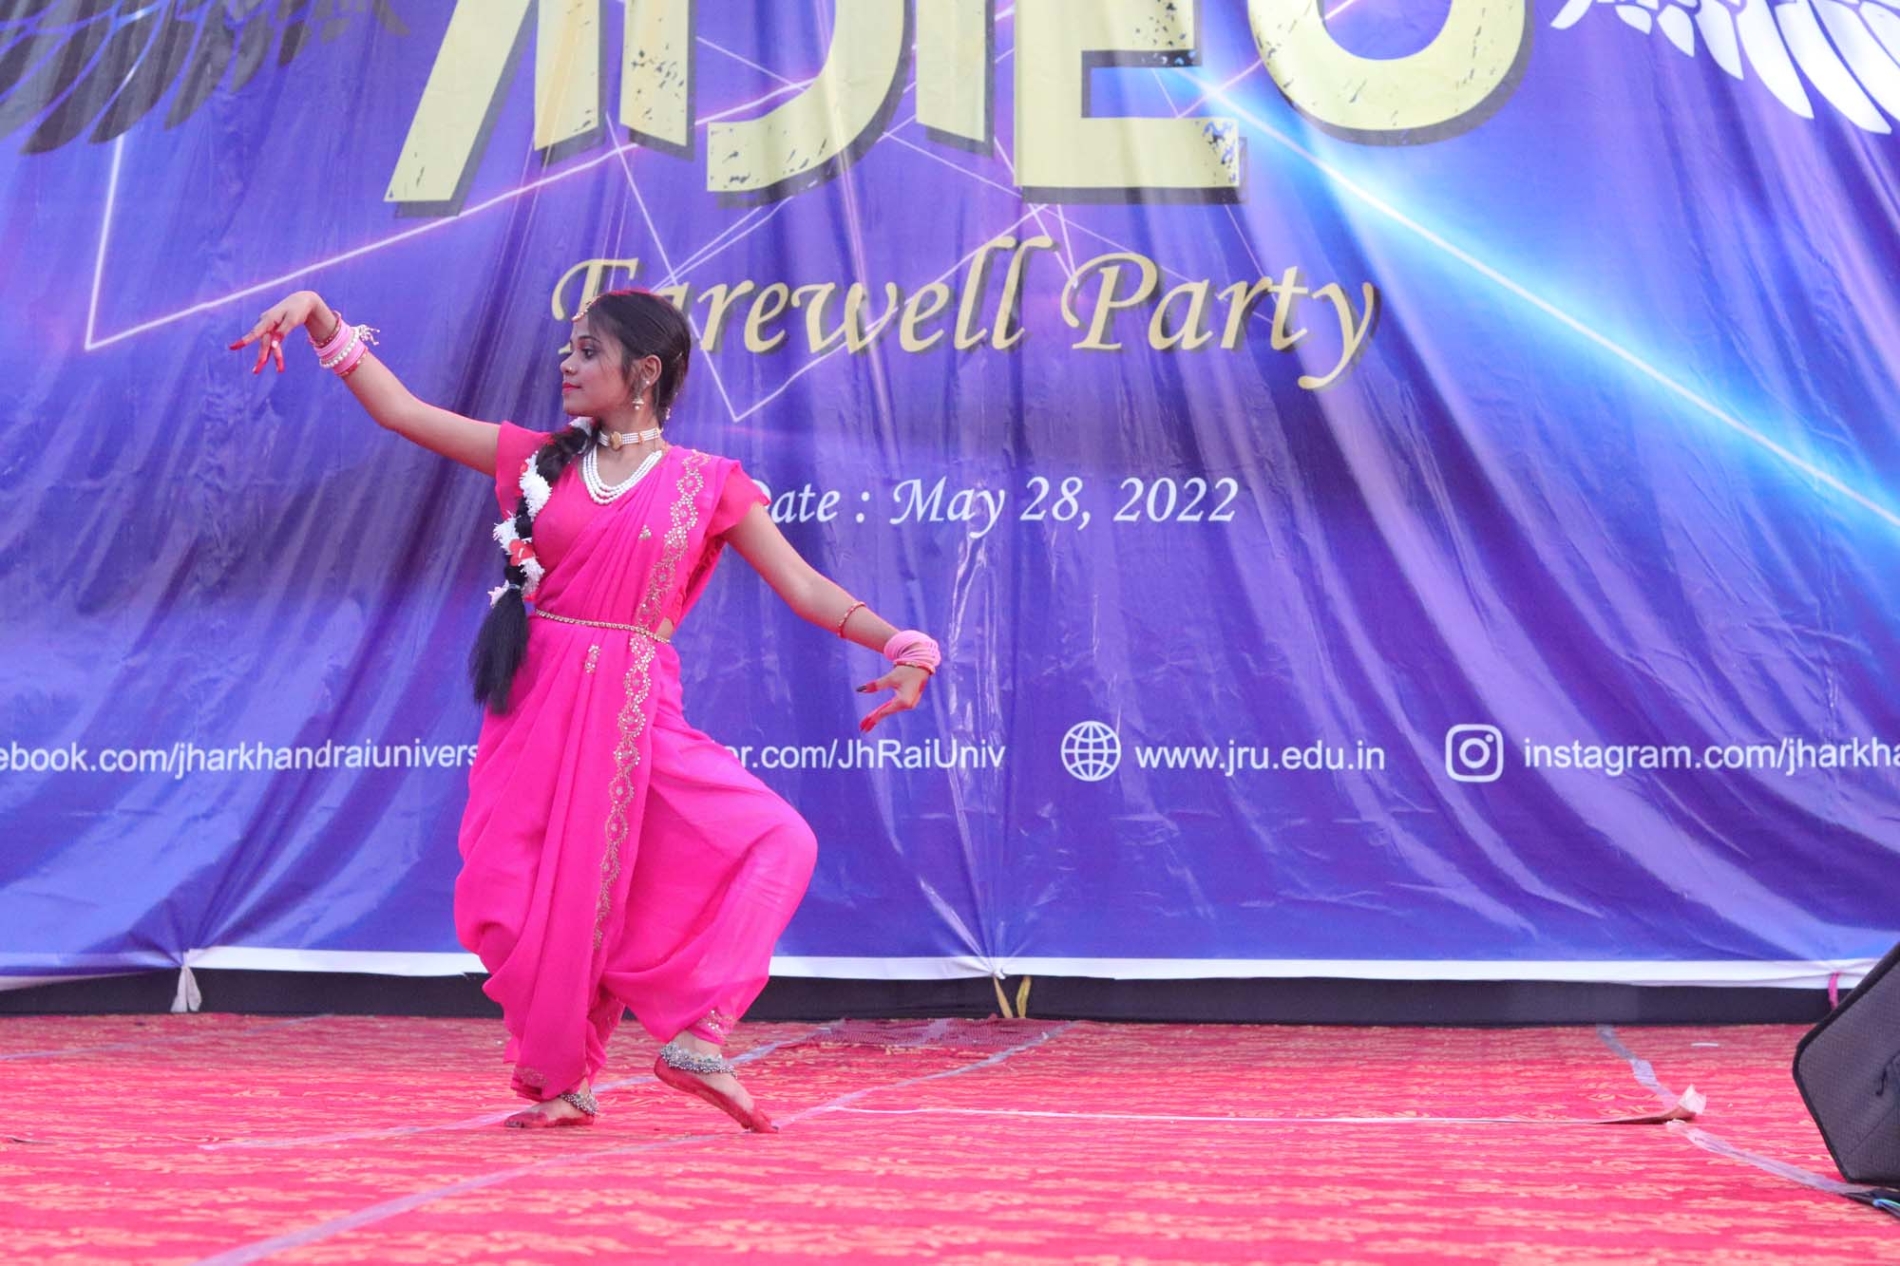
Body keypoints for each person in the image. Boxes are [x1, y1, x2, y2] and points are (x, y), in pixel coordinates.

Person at [229, 289, 940, 1131]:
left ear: (645, 371)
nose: (567, 363)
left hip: (638, 710)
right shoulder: (541, 461)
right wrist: (322, 319)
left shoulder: (708, 484)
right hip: (539, 705)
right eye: (568, 348)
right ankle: (563, 1082)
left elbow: (804, 585)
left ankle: (701, 1036)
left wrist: (904, 645)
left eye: (588, 350)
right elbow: (403, 413)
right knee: (530, 899)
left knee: (778, 839)